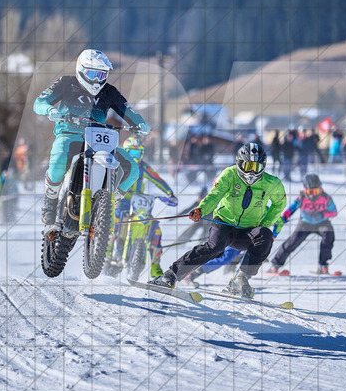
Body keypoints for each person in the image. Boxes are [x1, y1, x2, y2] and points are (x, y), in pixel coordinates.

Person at [149, 143, 287, 298]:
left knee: (265, 235)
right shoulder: (229, 174)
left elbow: (279, 204)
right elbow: (215, 195)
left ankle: (241, 278)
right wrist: (201, 210)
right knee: (215, 247)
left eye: (256, 167)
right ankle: (171, 274)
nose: (251, 171)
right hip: (225, 223)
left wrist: (264, 224)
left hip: (247, 231)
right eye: (248, 166)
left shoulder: (272, 183)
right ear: (239, 162)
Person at [33, 49, 150, 225]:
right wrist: (50, 110)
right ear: (80, 69)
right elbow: (39, 102)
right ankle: (50, 202)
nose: (96, 80)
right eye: (92, 74)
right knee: (58, 159)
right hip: (70, 134)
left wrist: (140, 123)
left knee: (132, 169)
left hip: (98, 140)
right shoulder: (66, 83)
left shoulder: (109, 91)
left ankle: (108, 205)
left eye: (101, 75)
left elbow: (128, 111)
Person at [108, 136, 178, 277]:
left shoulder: (144, 167)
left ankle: (155, 266)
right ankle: (107, 254)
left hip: (138, 202)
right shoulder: (117, 164)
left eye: (138, 153)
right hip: (121, 201)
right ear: (125, 152)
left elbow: (157, 179)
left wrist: (169, 193)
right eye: (131, 153)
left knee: (155, 228)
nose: (135, 157)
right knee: (113, 222)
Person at [266, 174, 338, 275]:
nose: (313, 195)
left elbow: (334, 212)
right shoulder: (302, 198)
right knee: (292, 242)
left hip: (322, 222)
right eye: (310, 192)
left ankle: (323, 265)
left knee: (328, 235)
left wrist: (322, 214)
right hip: (305, 223)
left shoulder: (326, 198)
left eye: (316, 191)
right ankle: (275, 265)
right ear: (305, 190)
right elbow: (291, 209)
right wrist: (284, 218)